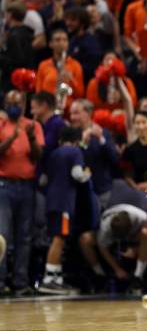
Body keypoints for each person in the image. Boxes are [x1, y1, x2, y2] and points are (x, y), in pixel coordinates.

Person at [0, 89, 44, 297]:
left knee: (24, 237)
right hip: (4, 186)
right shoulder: (1, 124)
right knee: (2, 236)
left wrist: (31, 139)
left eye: (16, 103)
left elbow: (38, 156)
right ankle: (0, 282)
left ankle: (20, 282)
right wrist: (11, 139)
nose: (13, 106)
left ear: (24, 104)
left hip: (27, 187)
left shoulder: (33, 125)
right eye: (9, 103)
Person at [38, 126, 91, 295]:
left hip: (51, 201)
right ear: (77, 140)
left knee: (58, 237)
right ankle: (49, 280)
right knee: (59, 238)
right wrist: (87, 173)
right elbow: (77, 174)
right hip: (64, 203)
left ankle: (57, 278)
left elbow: (43, 180)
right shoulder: (75, 152)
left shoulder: (54, 153)